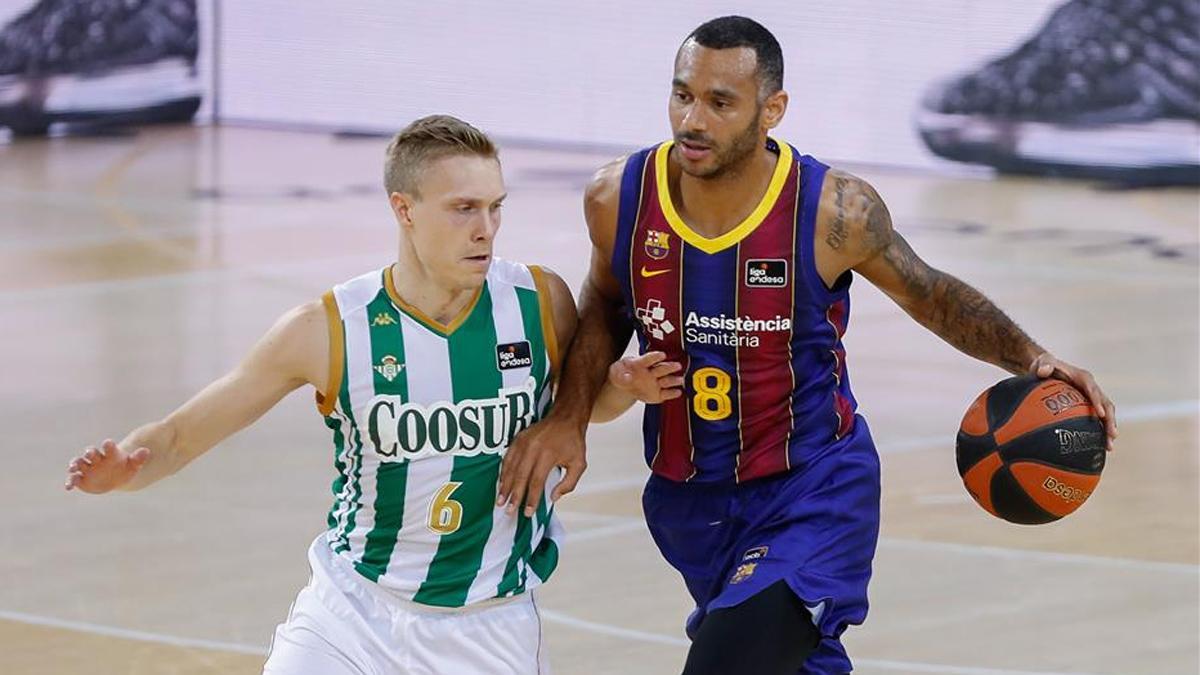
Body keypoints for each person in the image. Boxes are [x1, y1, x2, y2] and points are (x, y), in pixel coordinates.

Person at [497, 16, 1118, 675]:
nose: (693, 120)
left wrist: (1031, 357)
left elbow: (929, 292)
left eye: (720, 102)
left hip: (814, 490)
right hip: (689, 500)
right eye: (682, 95)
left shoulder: (833, 211)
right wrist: (571, 417)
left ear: (773, 110)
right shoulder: (618, 196)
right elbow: (606, 302)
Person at [61, 114, 627, 675]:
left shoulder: (538, 300)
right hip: (353, 613)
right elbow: (180, 436)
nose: (486, 228)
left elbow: (578, 411)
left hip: (489, 624)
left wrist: (624, 388)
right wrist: (128, 467)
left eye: (495, 206)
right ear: (404, 209)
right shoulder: (329, 329)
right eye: (463, 208)